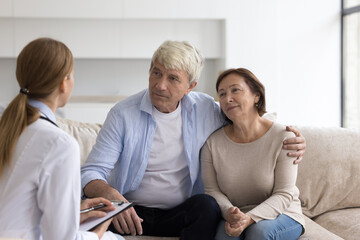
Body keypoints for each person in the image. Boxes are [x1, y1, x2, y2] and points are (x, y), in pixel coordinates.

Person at [81, 40, 306, 239]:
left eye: (173, 78)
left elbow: (244, 118)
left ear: (190, 87)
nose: (160, 85)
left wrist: (287, 135)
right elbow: (91, 172)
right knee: (95, 214)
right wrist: (116, 201)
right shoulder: (123, 114)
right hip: (131, 212)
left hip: (182, 214)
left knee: (207, 206)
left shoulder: (206, 109)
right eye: (156, 73)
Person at [0, 38, 122, 240]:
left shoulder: (10, 127)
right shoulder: (59, 144)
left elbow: (18, 210)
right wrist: (99, 232)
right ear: (63, 83)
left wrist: (73, 212)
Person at [201, 68, 305, 240]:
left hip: (283, 213)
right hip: (236, 214)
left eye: (235, 90)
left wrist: (249, 219)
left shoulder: (284, 137)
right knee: (224, 237)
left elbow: (284, 193)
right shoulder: (212, 143)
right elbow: (212, 190)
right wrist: (230, 213)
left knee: (259, 232)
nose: (228, 98)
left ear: (256, 96)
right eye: (222, 94)